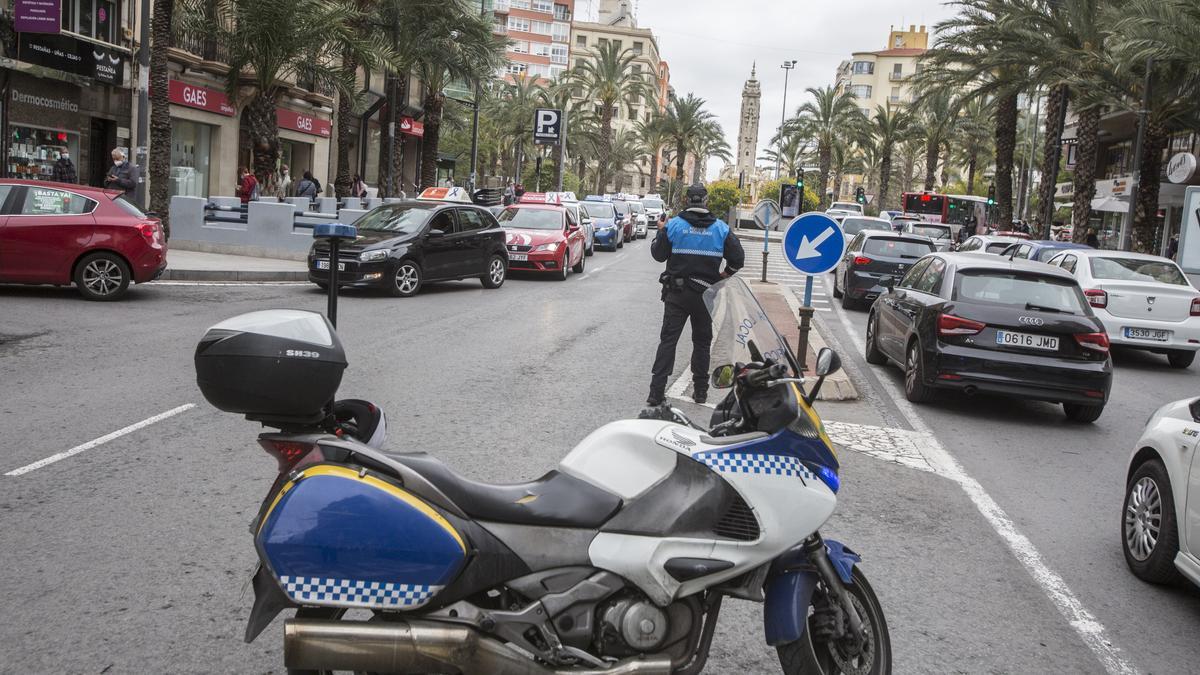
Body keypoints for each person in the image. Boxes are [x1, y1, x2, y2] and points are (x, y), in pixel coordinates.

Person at [646, 184, 746, 406]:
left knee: (668, 342)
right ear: (706, 201)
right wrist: (721, 276)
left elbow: (658, 255)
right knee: (702, 342)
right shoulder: (721, 229)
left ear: (686, 200)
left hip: (677, 295)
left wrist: (661, 231)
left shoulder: (673, 226)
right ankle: (700, 391)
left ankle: (656, 392)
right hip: (705, 296)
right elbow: (738, 259)